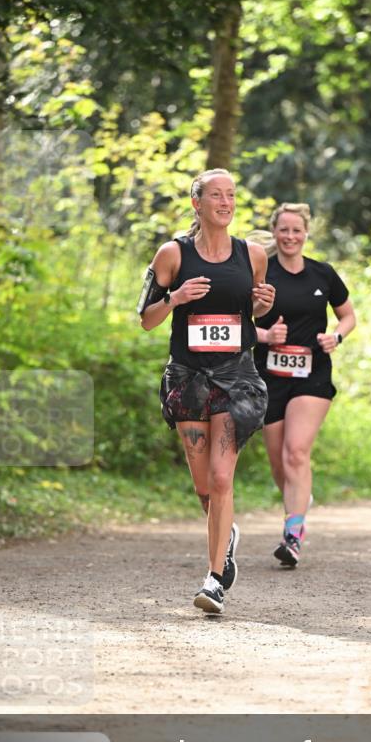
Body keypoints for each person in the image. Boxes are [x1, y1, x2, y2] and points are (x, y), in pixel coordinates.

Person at [139, 168, 274, 615]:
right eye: (216, 195)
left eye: (231, 195)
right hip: (188, 379)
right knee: (204, 486)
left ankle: (214, 580)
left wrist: (262, 305)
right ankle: (227, 534)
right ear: (197, 203)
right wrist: (175, 298)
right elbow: (146, 319)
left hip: (236, 379)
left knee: (221, 478)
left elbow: (253, 312)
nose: (226, 202)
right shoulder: (172, 254)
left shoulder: (252, 254)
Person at [253, 203, 355, 567]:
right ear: (274, 232)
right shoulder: (261, 273)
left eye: (296, 230)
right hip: (269, 376)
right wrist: (266, 335)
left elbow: (348, 316)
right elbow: (240, 320)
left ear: (306, 233)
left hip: (312, 373)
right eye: (284, 230)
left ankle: (293, 535)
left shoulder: (322, 274)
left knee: (296, 452)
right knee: (279, 463)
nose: (290, 236)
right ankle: (299, 500)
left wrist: (336, 337)